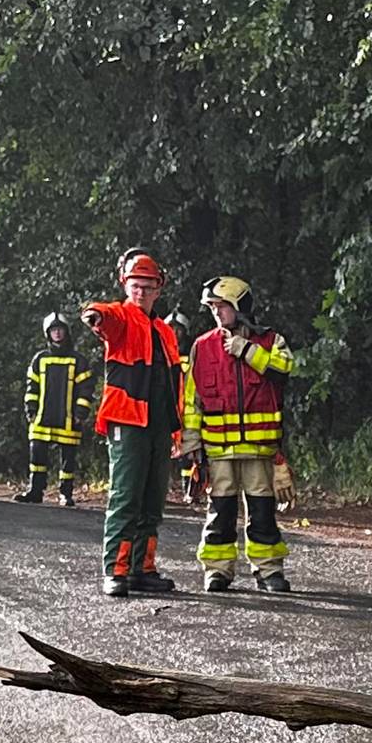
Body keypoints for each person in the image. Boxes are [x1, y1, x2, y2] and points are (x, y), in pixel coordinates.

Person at [180, 275, 296, 592]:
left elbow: (285, 368)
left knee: (262, 514)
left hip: (259, 448)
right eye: (213, 307)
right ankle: (217, 571)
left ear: (240, 306)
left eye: (222, 306)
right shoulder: (202, 347)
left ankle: (269, 571)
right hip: (218, 451)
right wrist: (191, 443)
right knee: (220, 514)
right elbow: (193, 400)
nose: (216, 313)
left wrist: (247, 350)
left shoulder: (270, 341)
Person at [82, 249, 185, 596]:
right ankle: (116, 570)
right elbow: (104, 316)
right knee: (126, 497)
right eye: (135, 286)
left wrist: (176, 427)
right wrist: (94, 315)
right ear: (126, 286)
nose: (141, 292)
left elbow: (174, 382)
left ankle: (143, 568)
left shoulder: (165, 332)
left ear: (159, 288)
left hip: (158, 423)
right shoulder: (122, 319)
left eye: (147, 286)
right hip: (127, 420)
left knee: (152, 500)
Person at [15, 311, 93, 506]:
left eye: (60, 330)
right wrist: (31, 410)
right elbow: (32, 387)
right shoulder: (39, 359)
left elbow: (86, 389)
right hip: (41, 418)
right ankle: (35, 491)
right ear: (47, 334)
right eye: (53, 331)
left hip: (68, 418)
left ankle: (65, 494)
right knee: (37, 456)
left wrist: (81, 413)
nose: (57, 334)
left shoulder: (79, 361)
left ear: (67, 332)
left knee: (68, 459)